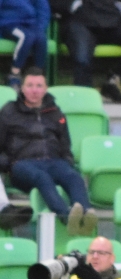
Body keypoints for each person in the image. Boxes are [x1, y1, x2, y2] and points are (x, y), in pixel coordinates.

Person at [0, 67, 95, 236]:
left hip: (53, 161)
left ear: (45, 88)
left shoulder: (55, 111)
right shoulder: (9, 111)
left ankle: (85, 216)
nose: (34, 90)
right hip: (21, 164)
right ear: (22, 88)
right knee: (42, 178)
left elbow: (65, 143)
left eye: (38, 85)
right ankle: (66, 217)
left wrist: (67, 161)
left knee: (73, 177)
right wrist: (6, 163)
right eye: (29, 85)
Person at [50, 0, 121, 103]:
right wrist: (74, 5)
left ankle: (115, 80)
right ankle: (85, 101)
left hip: (114, 23)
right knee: (82, 58)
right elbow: (55, 3)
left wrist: (120, 7)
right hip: (81, 23)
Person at [0, 0, 50, 91]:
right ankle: (14, 74)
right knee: (26, 37)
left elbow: (43, 10)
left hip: (30, 24)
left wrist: (40, 28)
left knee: (41, 39)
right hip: (8, 24)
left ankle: (38, 78)